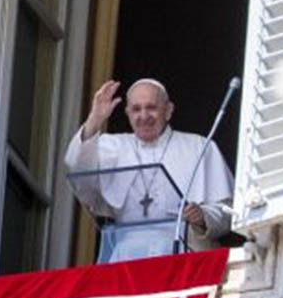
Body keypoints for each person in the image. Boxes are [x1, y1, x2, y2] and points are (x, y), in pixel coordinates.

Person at [63, 77, 234, 262]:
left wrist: (203, 217)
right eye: (136, 109)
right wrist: (95, 120)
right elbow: (77, 169)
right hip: (126, 258)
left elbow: (228, 211)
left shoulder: (199, 147)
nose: (144, 116)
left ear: (168, 111)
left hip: (185, 255)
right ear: (128, 113)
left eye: (151, 107)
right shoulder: (111, 146)